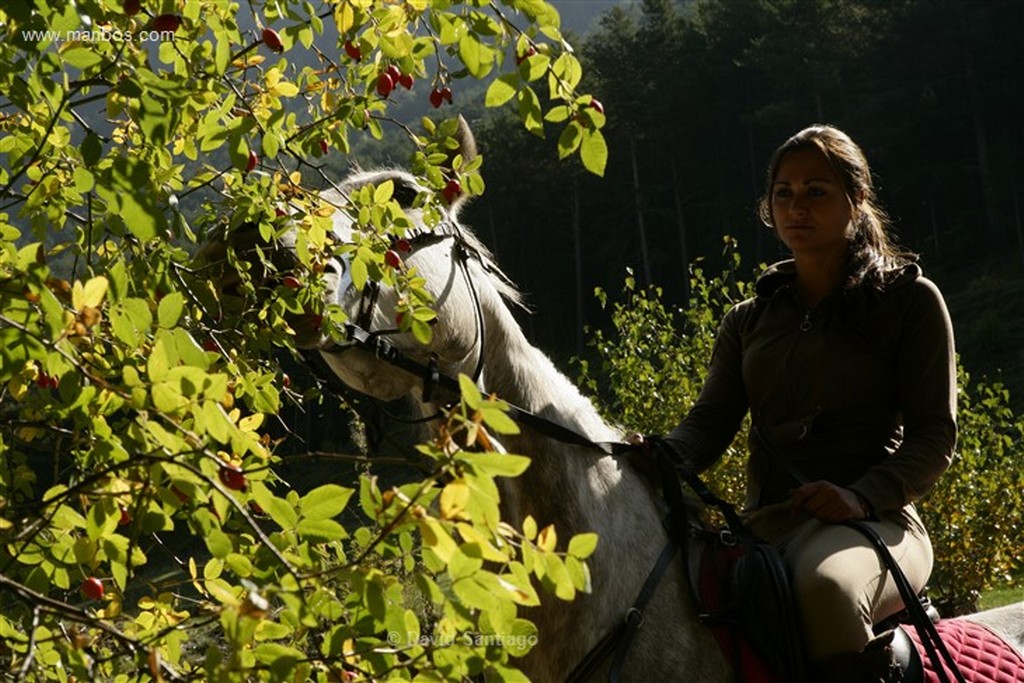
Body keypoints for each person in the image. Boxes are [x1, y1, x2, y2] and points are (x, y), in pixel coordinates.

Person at [657, 125, 957, 681]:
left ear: (857, 200)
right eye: (784, 192)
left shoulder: (910, 301)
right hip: (764, 525)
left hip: (879, 523)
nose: (797, 205)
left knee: (826, 589)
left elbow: (934, 438)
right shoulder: (747, 320)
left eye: (816, 191)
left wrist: (860, 496)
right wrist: (649, 459)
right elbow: (707, 425)